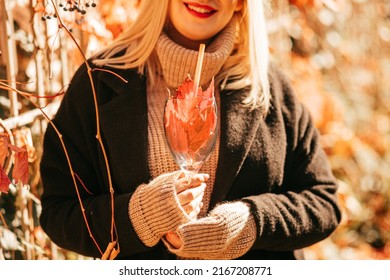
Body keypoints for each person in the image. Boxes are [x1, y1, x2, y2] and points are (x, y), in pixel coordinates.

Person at [39, 0, 341, 260]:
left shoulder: (270, 88)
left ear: (240, 2)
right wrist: (140, 215)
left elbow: (323, 202)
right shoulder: (99, 82)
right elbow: (59, 212)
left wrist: (251, 222)